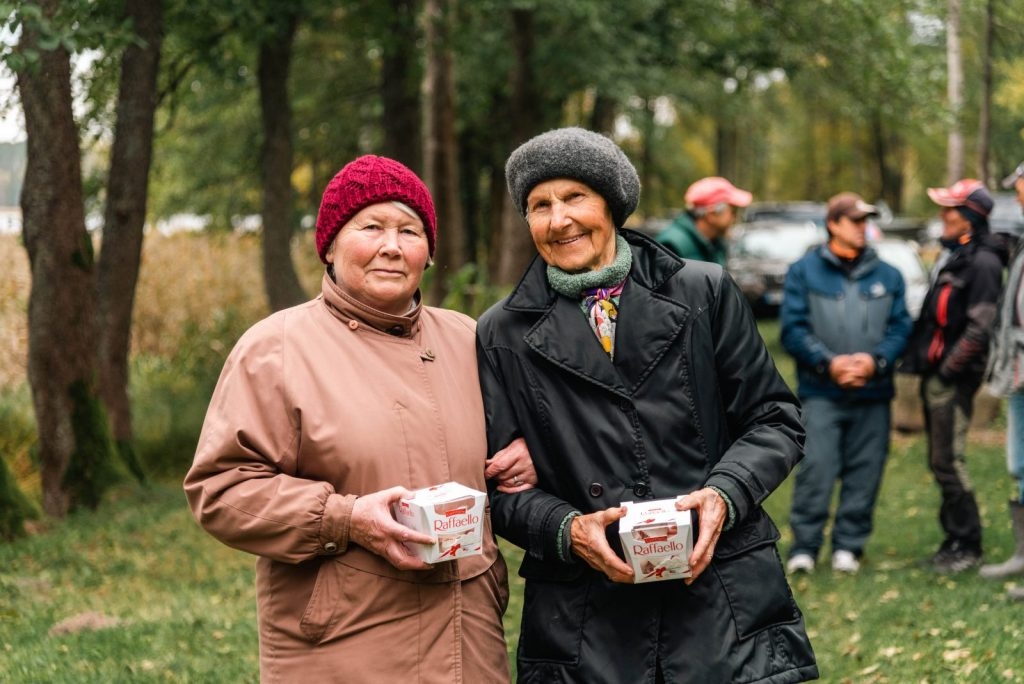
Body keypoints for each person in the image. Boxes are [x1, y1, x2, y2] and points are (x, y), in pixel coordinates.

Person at [477, 127, 818, 683]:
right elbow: (498, 486)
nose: (558, 219)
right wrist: (566, 528)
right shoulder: (502, 332)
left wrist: (724, 494)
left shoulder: (704, 291)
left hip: (719, 597)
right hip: (588, 617)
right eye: (539, 205)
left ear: (611, 203)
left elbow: (775, 418)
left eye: (574, 197)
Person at [184, 155, 536, 682]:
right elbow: (221, 489)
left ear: (429, 253)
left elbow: (510, 445)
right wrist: (345, 518)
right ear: (329, 244)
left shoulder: (468, 338)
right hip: (345, 643)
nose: (391, 246)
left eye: (409, 230)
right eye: (371, 227)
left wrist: (527, 457)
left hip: (469, 641)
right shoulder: (276, 349)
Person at [781, 192, 913, 575]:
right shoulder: (804, 271)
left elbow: (901, 326)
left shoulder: (889, 275)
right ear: (833, 224)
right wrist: (828, 363)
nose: (862, 228)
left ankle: (849, 547)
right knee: (817, 468)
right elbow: (793, 328)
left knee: (865, 471)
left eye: (865, 221)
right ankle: (805, 547)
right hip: (822, 392)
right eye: (855, 221)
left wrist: (876, 362)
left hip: (874, 392)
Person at [900, 178, 1009, 574]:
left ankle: (968, 544)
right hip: (936, 375)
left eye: (950, 210)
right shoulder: (956, 255)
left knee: (948, 461)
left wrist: (948, 370)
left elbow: (980, 327)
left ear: (969, 217)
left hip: (953, 378)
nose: (942, 217)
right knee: (940, 460)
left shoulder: (983, 262)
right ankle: (953, 540)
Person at [980, 161, 1024, 598]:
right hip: (1018, 375)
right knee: (1019, 466)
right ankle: (1022, 554)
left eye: (1020, 185)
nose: (1018, 194)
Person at [655, 176, 752, 265]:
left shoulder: (715, 243)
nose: (734, 217)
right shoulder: (671, 247)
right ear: (711, 214)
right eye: (733, 210)